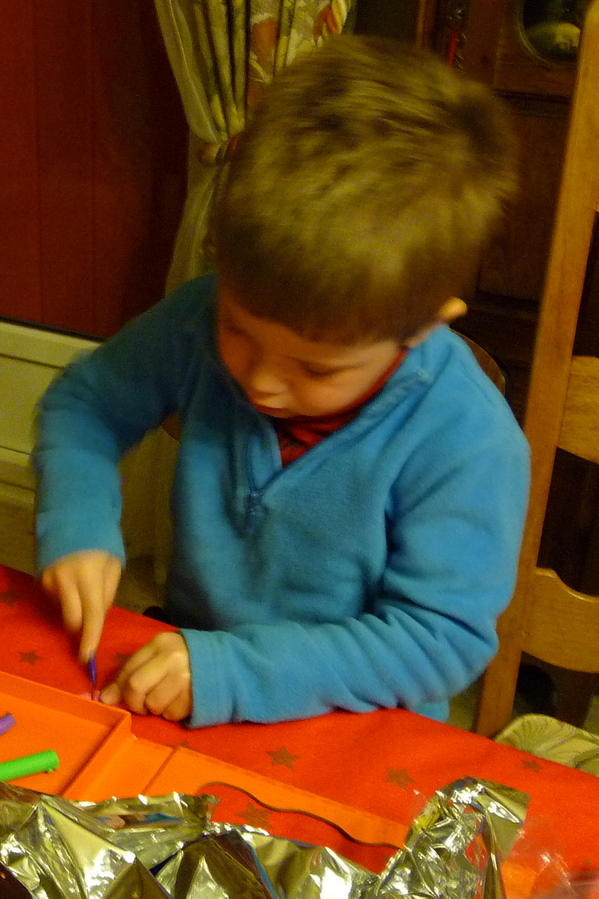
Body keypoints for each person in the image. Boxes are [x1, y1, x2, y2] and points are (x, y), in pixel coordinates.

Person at [33, 33, 529, 727]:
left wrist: (236, 673)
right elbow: (85, 405)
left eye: (316, 367)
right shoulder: (197, 315)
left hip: (356, 722)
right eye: (237, 328)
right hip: (193, 666)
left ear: (422, 326)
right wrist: (79, 519)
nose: (261, 383)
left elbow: (439, 640)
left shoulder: (469, 439)